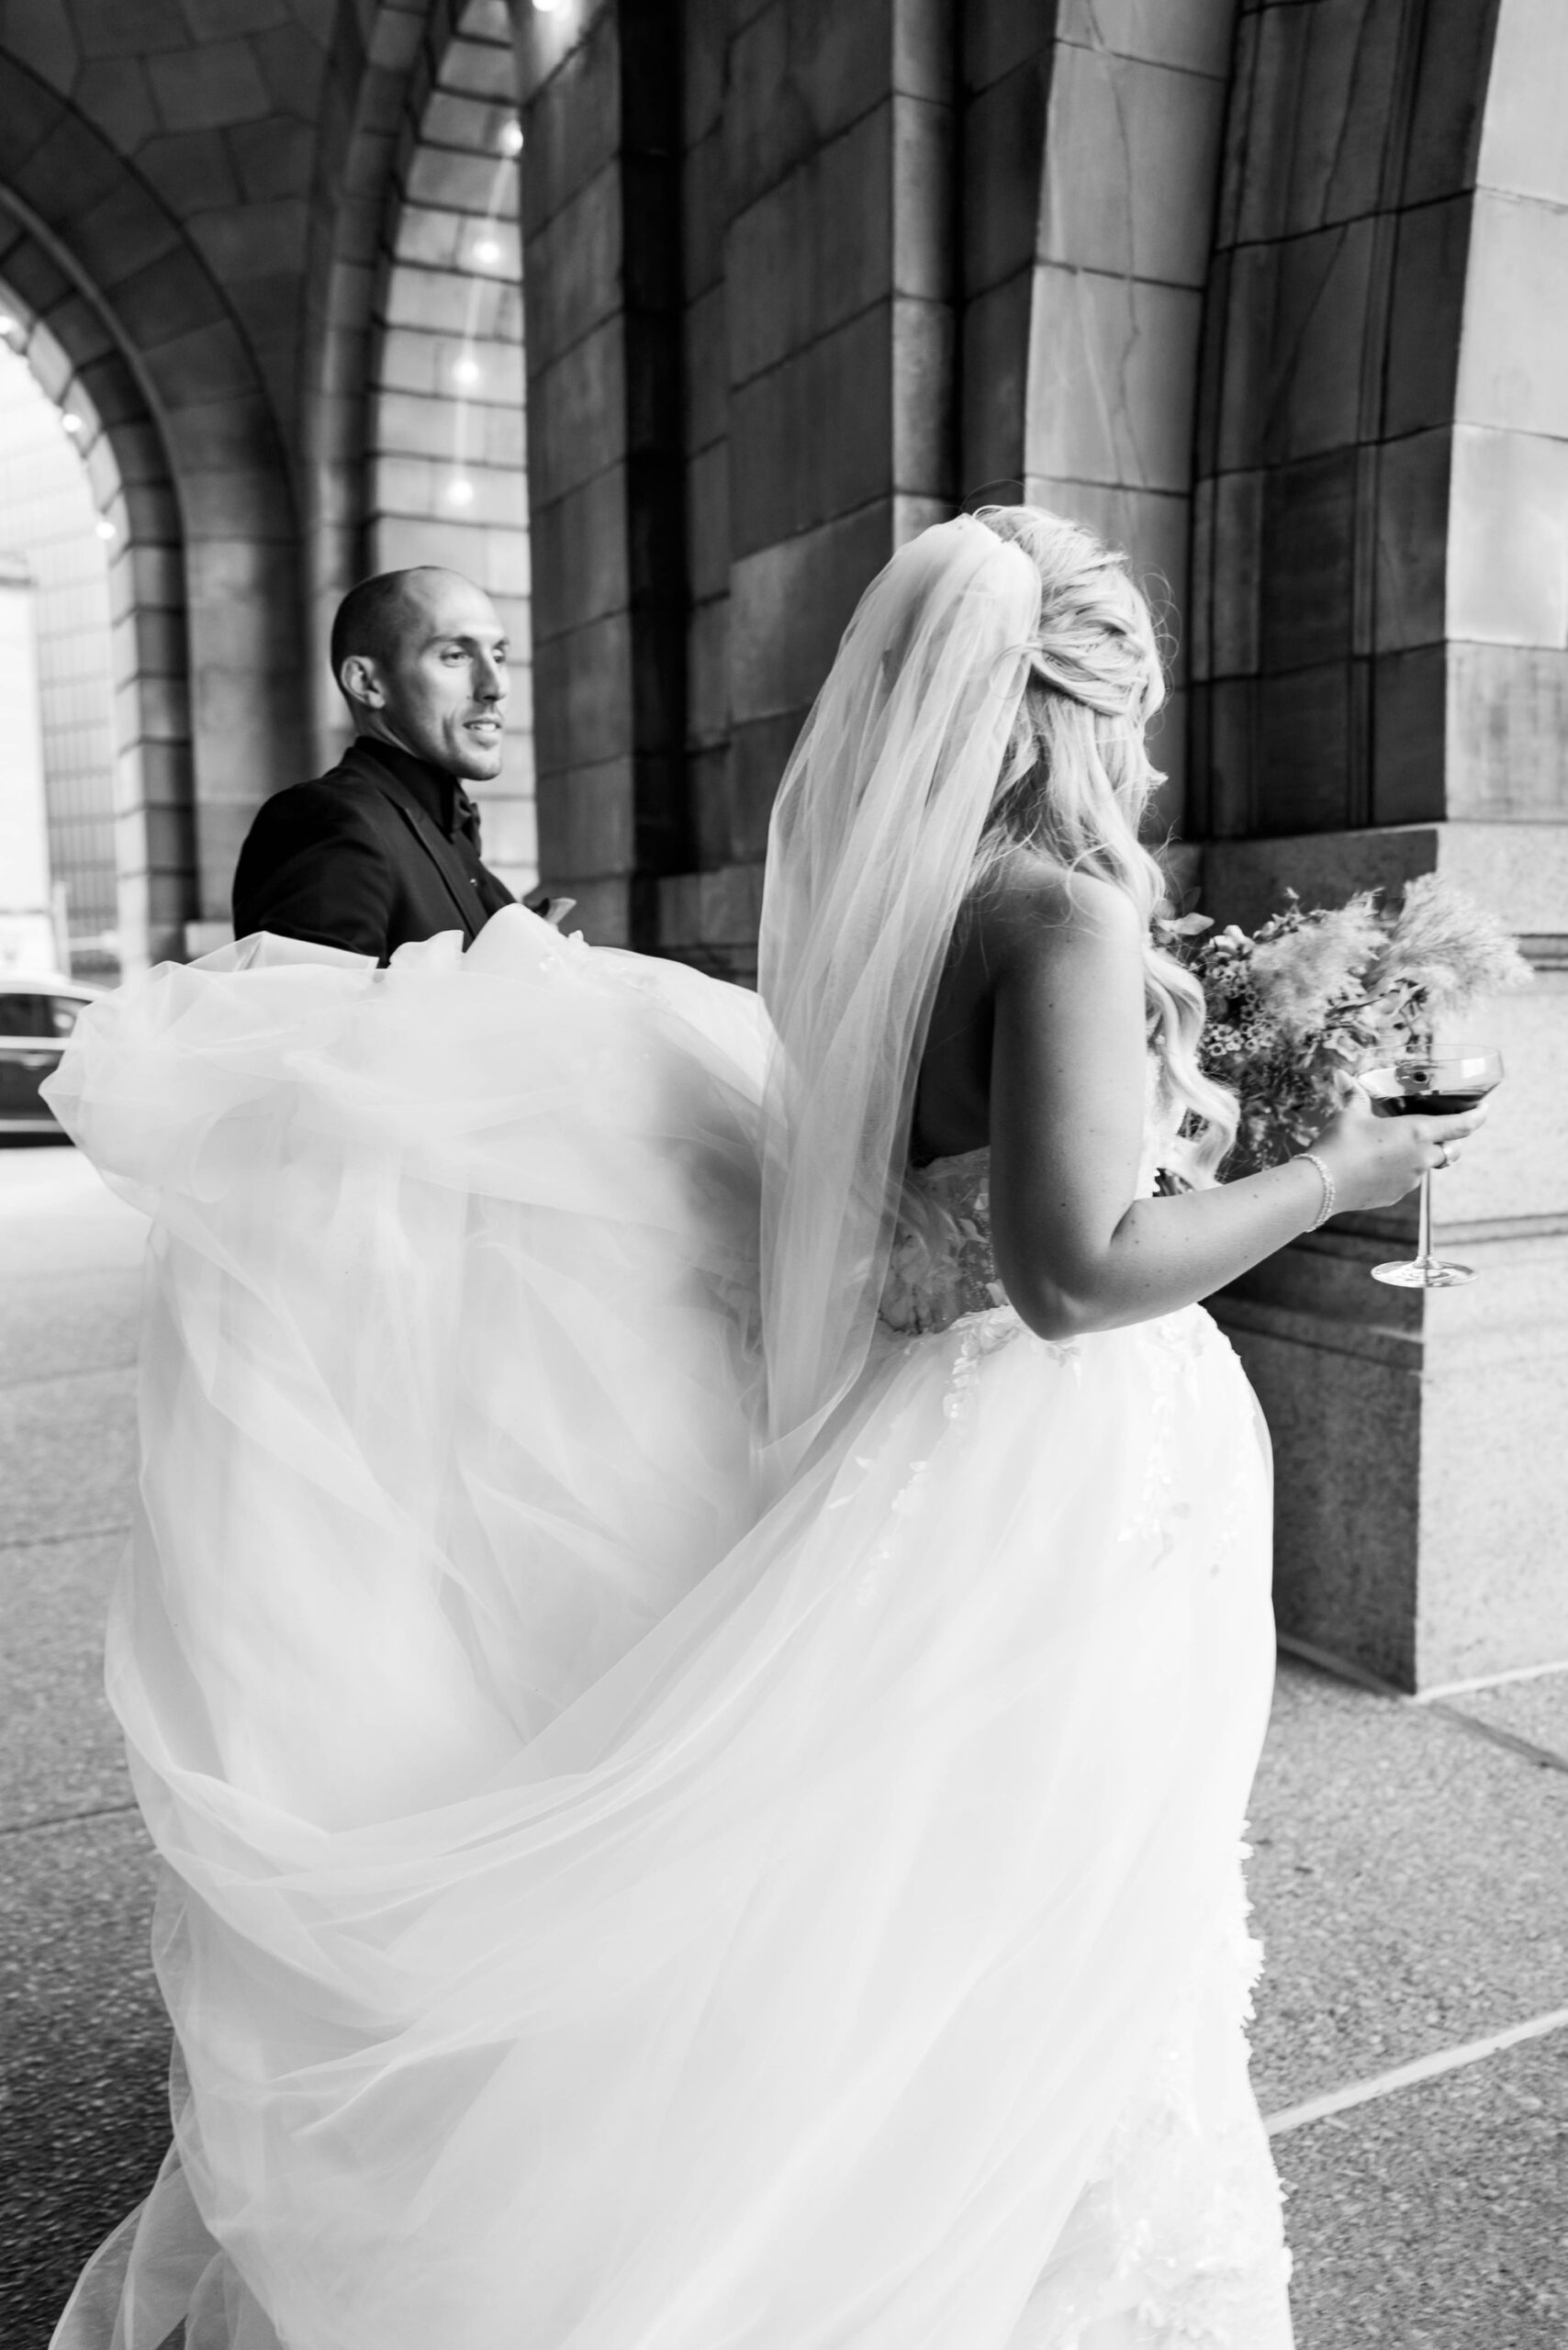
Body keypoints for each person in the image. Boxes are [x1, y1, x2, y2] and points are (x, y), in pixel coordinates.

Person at [45, 509, 1483, 2350]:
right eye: (1130, 710)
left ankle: (955, 2205)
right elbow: (1071, 1273)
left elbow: (947, 1192)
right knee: (1040, 1881)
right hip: (1057, 1461)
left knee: (936, 1880)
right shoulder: (1059, 913)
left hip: (925, 1434)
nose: (1140, 752)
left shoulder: (916, 899)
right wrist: (1332, 1176)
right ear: (1076, 706)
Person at [230, 566, 519, 962]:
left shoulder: (448, 831)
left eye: (499, 656)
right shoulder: (325, 821)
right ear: (367, 683)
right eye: (455, 656)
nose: (495, 686)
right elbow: (313, 1002)